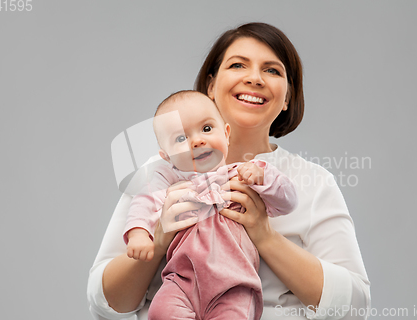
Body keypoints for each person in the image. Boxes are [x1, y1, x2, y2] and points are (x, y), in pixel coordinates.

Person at [88, 22, 370, 320]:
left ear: (287, 97)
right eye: (238, 65)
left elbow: (354, 308)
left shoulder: (312, 182)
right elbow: (105, 305)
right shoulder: (161, 171)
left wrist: (265, 236)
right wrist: (158, 242)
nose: (254, 78)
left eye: (272, 70)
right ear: (210, 86)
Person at [124, 90, 297, 319]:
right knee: (160, 312)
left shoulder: (242, 175)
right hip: (180, 282)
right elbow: (144, 201)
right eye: (181, 138)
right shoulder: (171, 185)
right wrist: (138, 234)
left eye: (206, 129)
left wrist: (262, 177)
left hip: (234, 285)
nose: (198, 141)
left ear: (226, 134)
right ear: (167, 157)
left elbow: (287, 202)